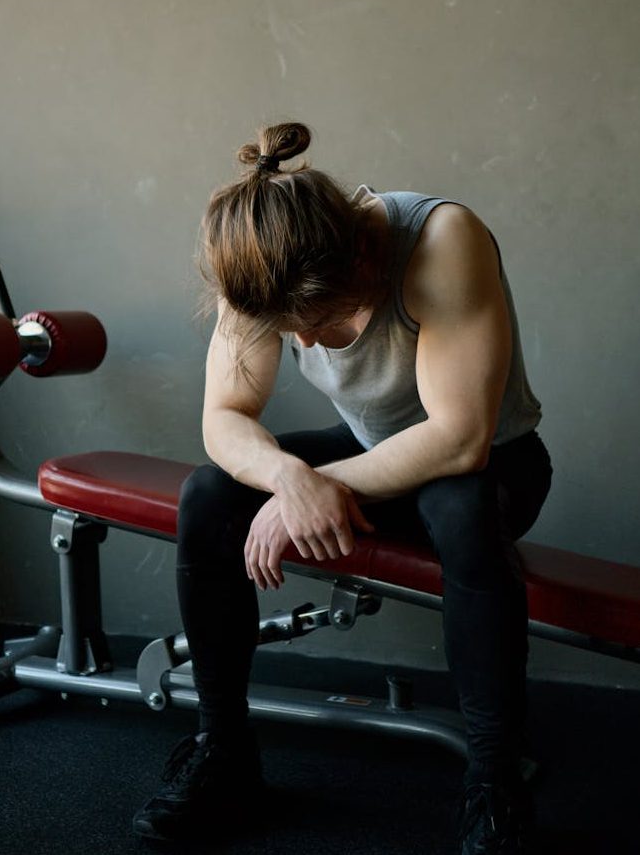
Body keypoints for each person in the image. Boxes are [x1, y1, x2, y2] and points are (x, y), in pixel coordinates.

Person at [132, 122, 552, 855]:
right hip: (371, 456)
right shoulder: (260, 261)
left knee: (463, 507)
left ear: (361, 253)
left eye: (325, 325)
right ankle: (224, 752)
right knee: (208, 496)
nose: (318, 346)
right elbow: (224, 417)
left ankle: (495, 785)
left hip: (493, 466)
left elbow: (460, 436)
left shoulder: (441, 239)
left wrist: (311, 487)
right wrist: (289, 479)